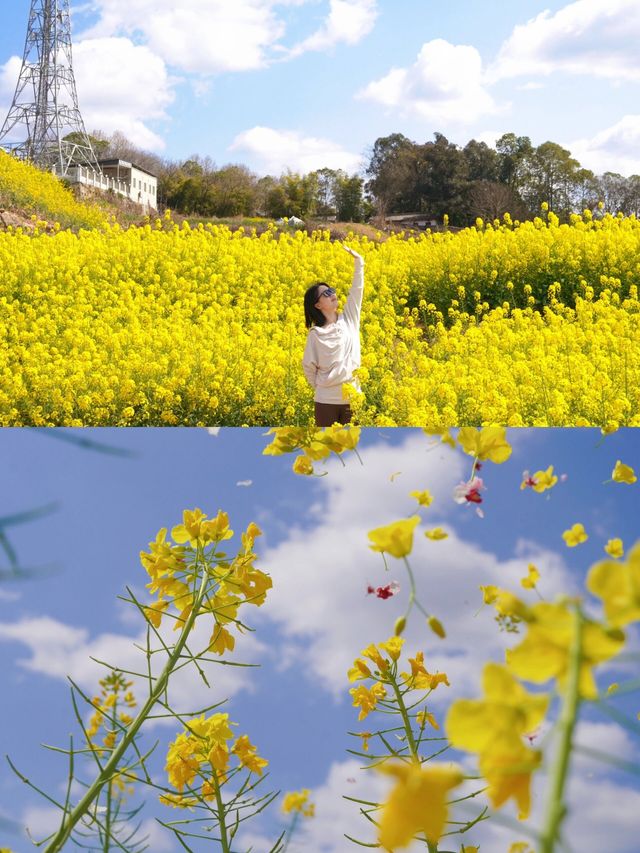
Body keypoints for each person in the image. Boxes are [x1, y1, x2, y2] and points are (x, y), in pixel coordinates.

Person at [302, 244, 365, 426]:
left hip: (353, 398)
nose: (332, 294)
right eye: (326, 293)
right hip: (325, 402)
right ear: (318, 305)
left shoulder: (349, 319)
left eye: (332, 291)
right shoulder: (315, 334)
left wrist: (359, 263)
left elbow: (357, 291)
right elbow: (309, 368)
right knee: (327, 450)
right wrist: (326, 388)